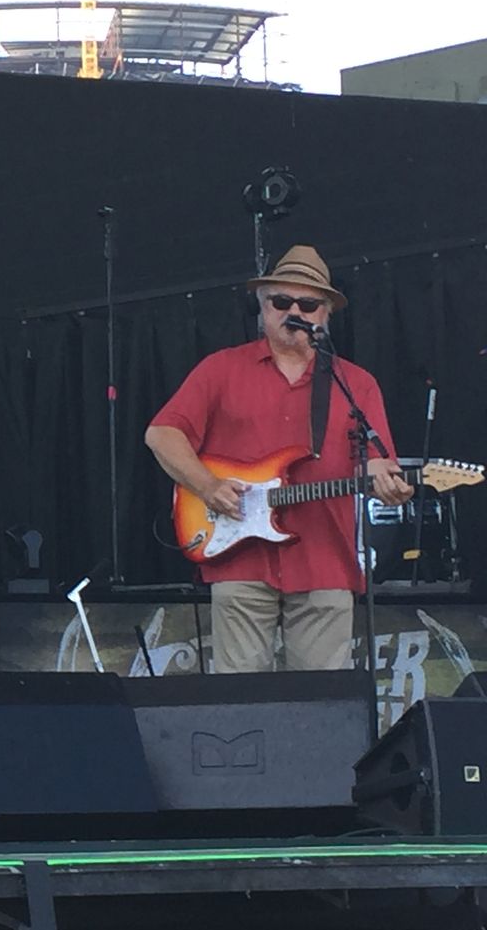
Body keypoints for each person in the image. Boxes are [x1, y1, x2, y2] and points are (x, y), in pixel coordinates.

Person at [145, 245, 413, 673]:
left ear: (326, 314)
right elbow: (161, 434)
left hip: (325, 558)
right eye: (281, 301)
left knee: (323, 699)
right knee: (241, 697)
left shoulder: (354, 383)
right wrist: (207, 486)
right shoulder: (221, 369)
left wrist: (385, 482)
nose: (294, 312)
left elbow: (376, 462)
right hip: (238, 556)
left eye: (308, 304)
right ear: (263, 307)